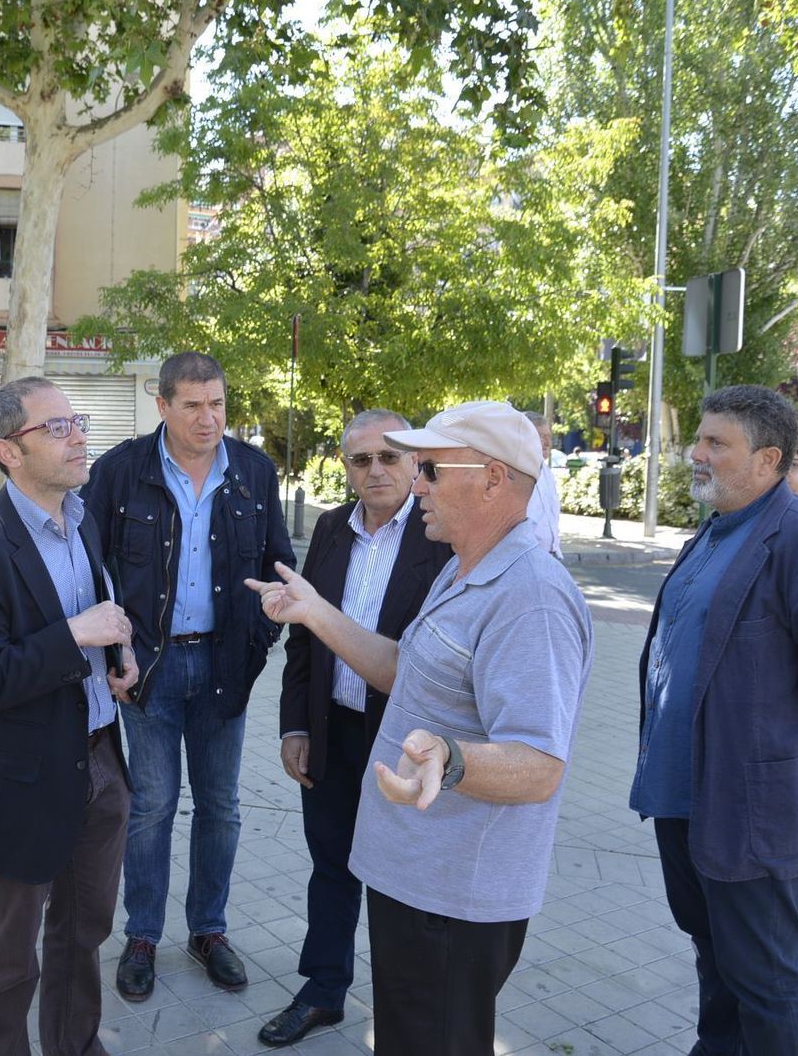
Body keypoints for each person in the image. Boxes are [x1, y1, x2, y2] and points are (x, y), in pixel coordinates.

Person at [247, 400, 593, 1055]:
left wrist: (450, 758)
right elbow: (402, 669)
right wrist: (315, 613)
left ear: (493, 479)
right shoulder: (466, 567)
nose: (418, 484)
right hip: (418, 880)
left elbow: (540, 766)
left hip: (453, 896)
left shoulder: (531, 596)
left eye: (430, 469)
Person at [631, 385, 798, 1055]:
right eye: (699, 438)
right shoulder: (717, 527)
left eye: (715, 442)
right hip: (684, 796)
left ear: (768, 459)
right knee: (715, 955)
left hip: (753, 808)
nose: (696, 453)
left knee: (766, 978)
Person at [0, 377, 138, 1055]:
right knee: (6, 958)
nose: (78, 437)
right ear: (8, 451)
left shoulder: (82, 520)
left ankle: (75, 1047)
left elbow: (95, 616)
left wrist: (119, 654)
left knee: (84, 933)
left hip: (99, 758)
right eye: (56, 428)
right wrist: (75, 636)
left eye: (77, 422)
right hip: (19, 782)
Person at [81, 351, 294, 999]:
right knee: (151, 806)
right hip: (149, 667)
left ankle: (209, 930)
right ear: (163, 405)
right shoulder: (121, 471)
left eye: (218, 404)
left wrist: (259, 643)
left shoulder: (253, 472)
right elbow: (91, 571)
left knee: (221, 806)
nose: (209, 418)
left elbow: (279, 567)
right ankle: (143, 935)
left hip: (227, 664)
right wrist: (113, 659)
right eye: (194, 405)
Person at [258, 409, 453, 1048]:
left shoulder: (440, 534)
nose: (375, 471)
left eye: (389, 457)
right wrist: (295, 726)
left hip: (407, 741)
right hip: (333, 730)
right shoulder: (331, 528)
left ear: (414, 461)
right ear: (345, 466)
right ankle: (323, 991)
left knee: (403, 881)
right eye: (360, 459)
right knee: (331, 868)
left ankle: (412, 1010)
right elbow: (305, 637)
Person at [520, 410, 563, 558]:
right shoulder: (515, 472)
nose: (548, 443)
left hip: (550, 554)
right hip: (527, 556)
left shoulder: (546, 472)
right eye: (541, 437)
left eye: (549, 437)